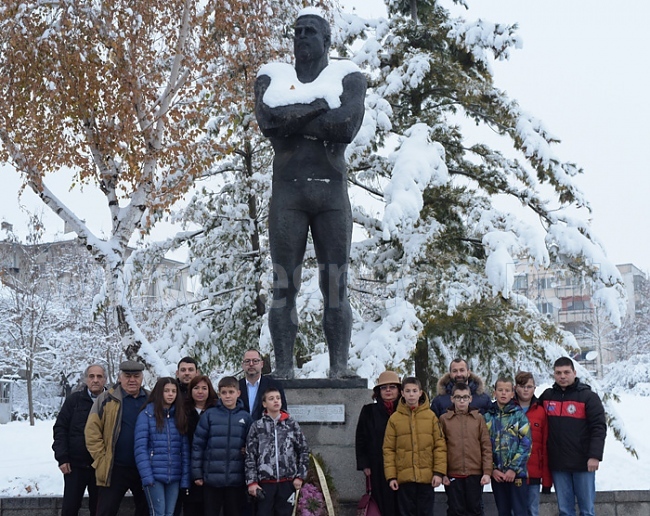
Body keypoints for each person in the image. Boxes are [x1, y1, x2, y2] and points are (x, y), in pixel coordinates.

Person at [254, 8, 367, 378]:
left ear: (326, 40)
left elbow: (345, 125)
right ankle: (284, 368)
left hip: (331, 195)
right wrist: (319, 108)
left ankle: (339, 367)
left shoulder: (347, 76)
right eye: (297, 31)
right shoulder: (272, 75)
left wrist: (295, 118)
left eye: (310, 32)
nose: (301, 36)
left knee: (335, 284)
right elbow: (269, 121)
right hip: (288, 194)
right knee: (283, 283)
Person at [539, 357, 606, 516]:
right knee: (565, 510)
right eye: (558, 373)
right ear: (554, 375)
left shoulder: (588, 397)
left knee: (587, 510)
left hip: (583, 463)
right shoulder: (547, 397)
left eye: (566, 372)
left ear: (574, 373)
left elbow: (599, 427)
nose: (562, 376)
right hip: (558, 464)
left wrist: (595, 456)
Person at [85, 360, 149, 516]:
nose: (132, 380)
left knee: (146, 510)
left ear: (142, 378)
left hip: (144, 467)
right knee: (106, 510)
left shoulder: (151, 399)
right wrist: (102, 458)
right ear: (120, 377)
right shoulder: (107, 399)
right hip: (115, 468)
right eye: (127, 376)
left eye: (136, 376)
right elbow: (92, 431)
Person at [383, 377, 447, 516]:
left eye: (414, 391)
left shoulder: (431, 417)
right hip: (405, 478)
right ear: (402, 393)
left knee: (425, 512)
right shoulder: (394, 419)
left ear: (420, 393)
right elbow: (389, 449)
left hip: (427, 478)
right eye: (408, 391)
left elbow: (439, 446)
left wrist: (438, 473)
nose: (411, 394)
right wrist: (391, 476)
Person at [192, 376, 252, 516]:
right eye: (224, 392)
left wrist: (246, 450)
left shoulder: (246, 417)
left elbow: (252, 444)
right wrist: (197, 473)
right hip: (211, 479)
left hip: (236, 479)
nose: (227, 396)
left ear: (238, 393)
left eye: (231, 392)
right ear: (219, 394)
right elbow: (198, 445)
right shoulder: (209, 415)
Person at [53, 364, 107, 516]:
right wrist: (62, 458)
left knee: (99, 510)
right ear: (86, 379)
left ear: (105, 379)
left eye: (99, 376)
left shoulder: (111, 401)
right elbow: (60, 429)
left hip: (101, 466)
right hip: (75, 466)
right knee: (70, 508)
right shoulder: (73, 401)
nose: (95, 380)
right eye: (91, 376)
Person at [245, 387, 310, 516]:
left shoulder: (291, 424)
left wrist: (300, 476)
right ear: (264, 404)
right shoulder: (257, 426)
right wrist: (252, 482)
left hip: (287, 482)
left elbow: (303, 450)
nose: (276, 401)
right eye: (271, 398)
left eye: (278, 398)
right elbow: (250, 456)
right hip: (265, 484)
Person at [134, 378, 190, 516]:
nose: (170, 394)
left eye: (173, 391)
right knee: (158, 512)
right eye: (166, 391)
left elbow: (184, 450)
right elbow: (140, 448)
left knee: (169, 513)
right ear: (159, 392)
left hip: (174, 475)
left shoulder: (179, 416)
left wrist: (184, 478)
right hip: (154, 475)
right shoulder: (146, 415)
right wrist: (147, 476)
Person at [439, 382, 492, 516]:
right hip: (453, 473)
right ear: (452, 399)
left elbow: (486, 446)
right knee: (455, 510)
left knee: (474, 509)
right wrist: (442, 473)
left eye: (465, 397)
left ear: (470, 399)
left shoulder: (478, 419)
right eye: (458, 397)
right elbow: (440, 448)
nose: (461, 401)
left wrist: (487, 471)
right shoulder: (445, 420)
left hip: (474, 473)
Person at [354, 371, 401, 516]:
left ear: (399, 390)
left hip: (402, 465)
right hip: (377, 466)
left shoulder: (405, 411)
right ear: (378, 391)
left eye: (392, 387)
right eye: (383, 387)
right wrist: (365, 464)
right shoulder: (369, 411)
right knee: (381, 504)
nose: (388, 390)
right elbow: (361, 438)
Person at [484, 377, 531, 516]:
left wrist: (513, 469)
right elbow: (483, 446)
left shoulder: (519, 416)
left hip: (516, 475)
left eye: (507, 390)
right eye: (500, 390)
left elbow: (526, 444)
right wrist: (492, 469)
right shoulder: (487, 417)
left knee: (520, 511)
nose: (503, 393)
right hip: (497, 475)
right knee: (503, 511)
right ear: (494, 393)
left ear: (512, 393)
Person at [179, 375, 218, 516]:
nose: (200, 392)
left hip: (213, 468)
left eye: (204, 388)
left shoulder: (217, 410)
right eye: (196, 388)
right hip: (189, 467)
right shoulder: (183, 411)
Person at [514, 371, 552, 516]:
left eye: (529, 386)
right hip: (512, 473)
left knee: (532, 511)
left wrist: (547, 480)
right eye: (522, 386)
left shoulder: (541, 412)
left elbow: (544, 445)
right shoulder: (508, 410)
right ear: (516, 387)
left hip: (533, 473)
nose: (525, 389)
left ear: (534, 388)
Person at [238, 348, 287, 420]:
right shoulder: (236, 387)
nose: (251, 364)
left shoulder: (274, 385)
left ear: (262, 364)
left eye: (255, 361)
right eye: (247, 361)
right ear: (243, 365)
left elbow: (282, 411)